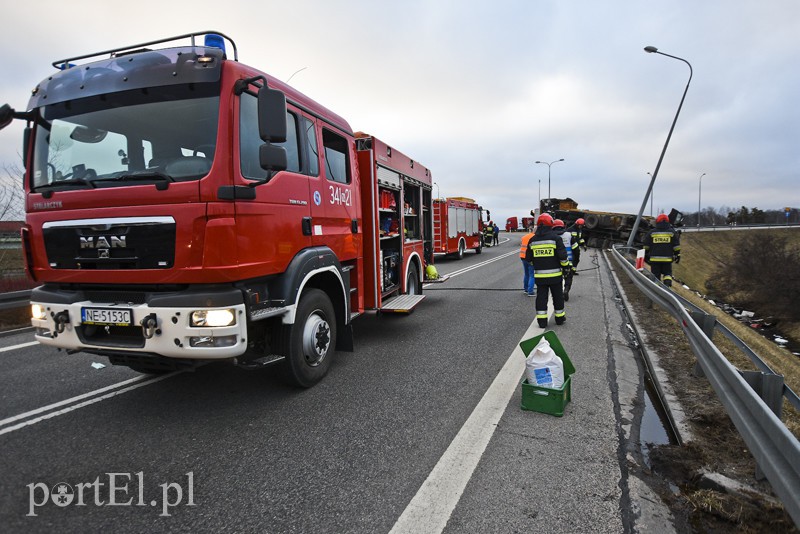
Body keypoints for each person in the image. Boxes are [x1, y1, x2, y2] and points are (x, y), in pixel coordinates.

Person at [525, 213, 570, 327]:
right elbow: (563, 257)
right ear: (550, 223)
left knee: (541, 297)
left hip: (540, 277)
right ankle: (559, 319)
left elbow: (528, 259)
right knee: (557, 297)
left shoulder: (532, 240)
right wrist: (566, 268)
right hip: (555, 276)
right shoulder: (556, 239)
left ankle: (542, 321)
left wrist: (538, 264)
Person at [643, 213, 681, 287]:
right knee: (667, 274)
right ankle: (667, 287)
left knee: (655, 275)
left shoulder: (652, 232)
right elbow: (676, 246)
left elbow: (646, 246)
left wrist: (645, 254)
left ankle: (656, 289)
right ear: (668, 221)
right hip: (667, 260)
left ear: (657, 221)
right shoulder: (672, 232)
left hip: (654, 260)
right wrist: (678, 254)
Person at [552, 219, 574, 301]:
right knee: (568, 276)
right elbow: (575, 249)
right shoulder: (569, 235)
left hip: (555, 262)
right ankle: (566, 290)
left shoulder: (551, 236)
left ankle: (559, 292)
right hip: (568, 260)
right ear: (563, 226)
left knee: (557, 278)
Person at [519, 229, 536, 296]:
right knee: (532, 275)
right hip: (530, 258)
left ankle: (526, 289)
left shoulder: (524, 236)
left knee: (526, 274)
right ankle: (530, 291)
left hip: (522, 256)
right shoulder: (535, 237)